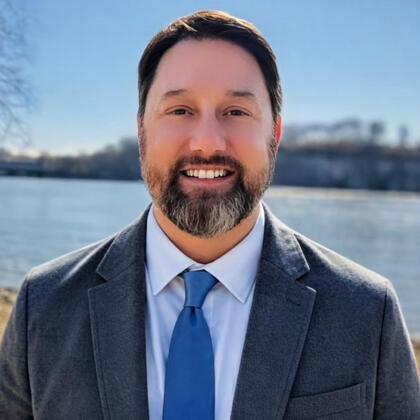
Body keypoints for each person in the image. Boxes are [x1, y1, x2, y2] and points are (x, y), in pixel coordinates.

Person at [0, 10, 419, 420]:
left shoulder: (367, 311)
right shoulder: (45, 305)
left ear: (274, 134)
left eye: (236, 111)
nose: (207, 142)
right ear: (142, 131)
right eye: (180, 110)